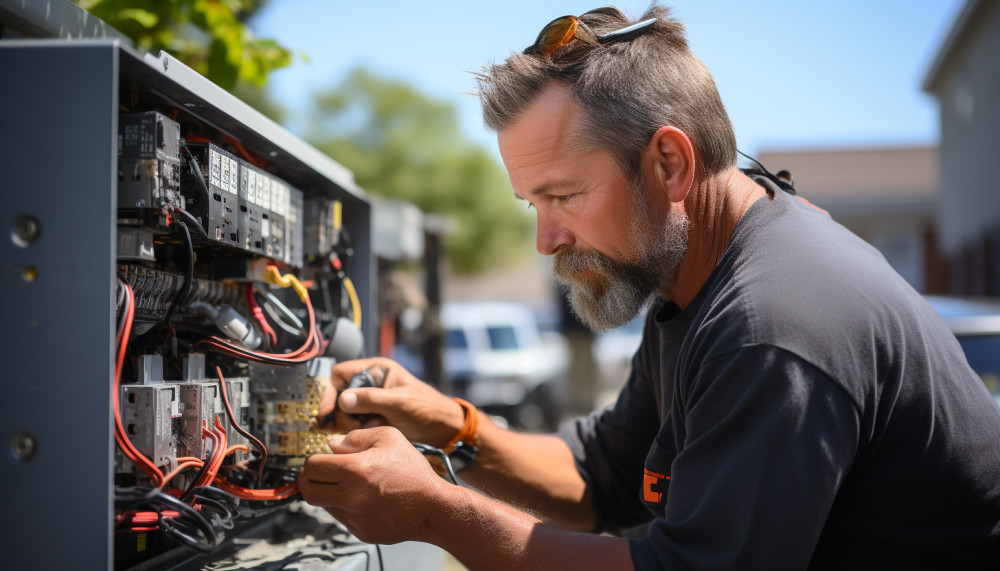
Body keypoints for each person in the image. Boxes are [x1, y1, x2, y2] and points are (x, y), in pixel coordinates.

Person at [299, 4, 1000, 569]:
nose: (546, 239)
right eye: (531, 205)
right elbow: (601, 475)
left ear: (668, 162)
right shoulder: (690, 275)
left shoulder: (773, 322)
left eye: (564, 196)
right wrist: (452, 423)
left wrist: (437, 512)